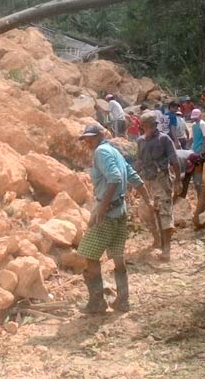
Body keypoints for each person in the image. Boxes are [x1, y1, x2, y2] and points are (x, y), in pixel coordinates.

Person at [77, 124, 153, 314]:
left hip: (108, 212)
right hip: (120, 210)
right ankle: (122, 300)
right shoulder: (114, 151)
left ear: (100, 135)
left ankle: (97, 302)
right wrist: (148, 199)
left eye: (90, 137)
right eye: (85, 138)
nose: (87, 141)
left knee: (89, 254)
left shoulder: (101, 152)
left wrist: (101, 207)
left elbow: (116, 178)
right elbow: (133, 176)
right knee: (118, 256)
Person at [136, 111, 180, 261]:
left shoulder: (164, 140)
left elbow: (174, 160)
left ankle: (166, 248)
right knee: (145, 211)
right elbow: (139, 161)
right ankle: (157, 239)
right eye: (146, 125)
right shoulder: (140, 141)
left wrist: (178, 181)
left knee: (164, 213)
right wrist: (134, 180)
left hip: (161, 180)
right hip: (147, 181)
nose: (149, 128)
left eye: (151, 125)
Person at [174, 149, 205, 227]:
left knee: (199, 186)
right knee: (181, 189)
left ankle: (203, 209)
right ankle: (178, 210)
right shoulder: (177, 162)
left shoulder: (196, 161)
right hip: (181, 165)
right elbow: (177, 182)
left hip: (190, 161)